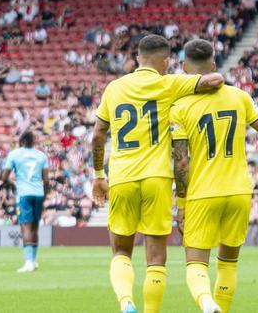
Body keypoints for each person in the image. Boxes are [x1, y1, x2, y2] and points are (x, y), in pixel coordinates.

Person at [91, 34, 224, 313]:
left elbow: (97, 135)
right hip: (157, 178)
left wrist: (98, 175)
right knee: (156, 259)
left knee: (121, 252)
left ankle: (126, 303)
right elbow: (215, 80)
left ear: (138, 57)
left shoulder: (114, 88)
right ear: (165, 61)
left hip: (122, 176)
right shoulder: (169, 83)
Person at [170, 39, 258, 313]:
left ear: (184, 68)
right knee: (229, 262)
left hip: (202, 193)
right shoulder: (239, 96)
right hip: (240, 191)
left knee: (196, 263)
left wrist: (180, 205)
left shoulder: (180, 107)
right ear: (214, 65)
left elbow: (181, 163)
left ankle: (207, 303)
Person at [2, 131, 49, 273]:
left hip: (24, 194)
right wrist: (44, 196)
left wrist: (12, 184)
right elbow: (46, 180)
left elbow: (4, 176)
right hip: (38, 194)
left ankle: (28, 262)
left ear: (21, 141)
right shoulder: (41, 156)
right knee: (35, 227)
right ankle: (33, 261)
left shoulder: (14, 154)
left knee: (26, 227)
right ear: (34, 141)